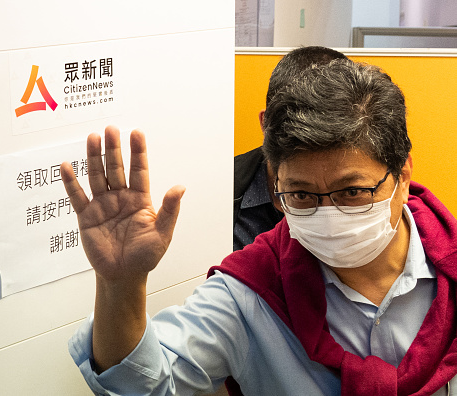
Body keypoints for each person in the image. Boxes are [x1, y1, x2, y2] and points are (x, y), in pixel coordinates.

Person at [63, 60, 457, 395]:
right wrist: (121, 285)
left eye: (352, 191)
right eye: (301, 195)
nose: (328, 215)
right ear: (275, 184)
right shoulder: (252, 292)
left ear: (402, 173)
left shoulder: (450, 268)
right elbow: (143, 385)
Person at [234, 46, 348, 251]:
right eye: (297, 134)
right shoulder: (222, 190)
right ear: (265, 124)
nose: (314, 151)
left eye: (332, 135)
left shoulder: (373, 191)